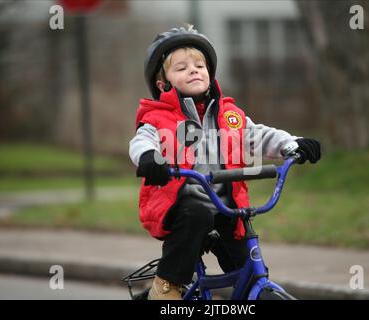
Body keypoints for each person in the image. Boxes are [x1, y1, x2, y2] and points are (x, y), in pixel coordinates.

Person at [129, 25, 321, 300]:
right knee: (196, 213)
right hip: (182, 208)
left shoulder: (229, 115)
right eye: (181, 68)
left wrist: (293, 143)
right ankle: (165, 288)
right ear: (164, 84)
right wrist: (150, 157)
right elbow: (141, 140)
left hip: (226, 209)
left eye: (199, 65)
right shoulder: (158, 118)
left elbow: (258, 135)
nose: (193, 70)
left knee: (250, 273)